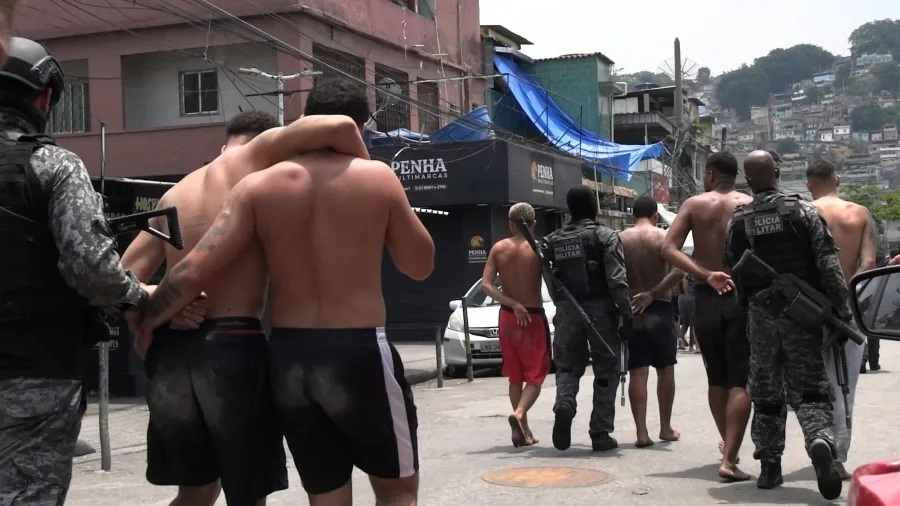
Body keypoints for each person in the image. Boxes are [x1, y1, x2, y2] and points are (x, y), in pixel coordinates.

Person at [135, 78, 434, 506]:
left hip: (290, 358)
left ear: (305, 120)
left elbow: (192, 270)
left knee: (326, 496)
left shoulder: (257, 187)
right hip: (359, 347)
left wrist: (149, 317)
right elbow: (420, 266)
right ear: (362, 126)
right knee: (397, 490)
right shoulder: (377, 177)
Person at [0, 37, 148, 505]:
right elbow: (93, 272)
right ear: (45, 98)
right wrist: (141, 295)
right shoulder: (55, 166)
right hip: (34, 375)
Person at [725, 150, 850, 499]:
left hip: (760, 317)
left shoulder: (738, 221)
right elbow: (828, 266)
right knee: (810, 389)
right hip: (801, 316)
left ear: (748, 180)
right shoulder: (803, 212)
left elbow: (734, 272)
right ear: (778, 172)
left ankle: (768, 467)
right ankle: (820, 441)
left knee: (765, 392)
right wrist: (841, 311)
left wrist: (749, 311)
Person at [660, 151, 752, 481]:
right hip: (742, 295)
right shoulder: (749, 203)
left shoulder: (694, 205)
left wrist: (706, 273)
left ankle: (729, 447)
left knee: (717, 378)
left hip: (706, 297)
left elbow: (668, 249)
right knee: (740, 380)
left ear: (710, 175)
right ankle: (729, 456)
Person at [542, 185, 633, 452]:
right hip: (602, 313)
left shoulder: (552, 240)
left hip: (567, 312)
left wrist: (562, 301)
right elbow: (617, 281)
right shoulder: (606, 236)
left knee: (567, 367)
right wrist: (626, 314)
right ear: (594, 208)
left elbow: (549, 279)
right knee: (606, 368)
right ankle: (600, 432)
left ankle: (565, 403)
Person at [807, 158, 877, 480]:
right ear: (837, 179)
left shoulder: (803, 212)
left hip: (809, 308)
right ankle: (838, 457)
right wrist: (846, 297)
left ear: (809, 183)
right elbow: (869, 262)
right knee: (844, 385)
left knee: (814, 385)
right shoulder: (859, 214)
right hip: (850, 309)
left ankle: (819, 439)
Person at [481, 202, 551, 448]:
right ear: (533, 223)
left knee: (515, 376)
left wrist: (512, 303)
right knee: (535, 376)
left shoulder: (499, 248)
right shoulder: (538, 249)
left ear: (510, 223)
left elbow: (486, 285)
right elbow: (552, 283)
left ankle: (525, 430)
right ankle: (520, 414)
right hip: (532, 317)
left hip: (508, 317)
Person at [619, 195, 684, 448]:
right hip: (660, 307)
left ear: (632, 215)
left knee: (638, 371)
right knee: (665, 368)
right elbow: (679, 271)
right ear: (656, 214)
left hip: (633, 307)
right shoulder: (663, 237)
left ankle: (641, 433)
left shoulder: (622, 239)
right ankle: (666, 428)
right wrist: (654, 294)